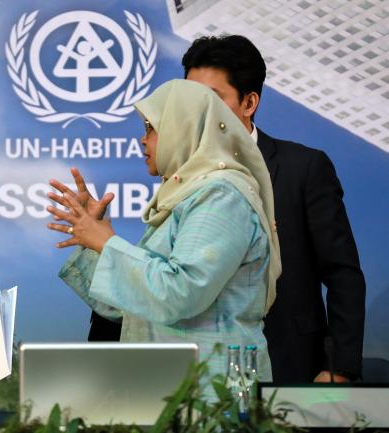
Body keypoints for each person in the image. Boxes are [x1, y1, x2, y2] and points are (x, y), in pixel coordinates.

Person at [47, 79, 281, 383]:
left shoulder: (221, 196)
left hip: (214, 397)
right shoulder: (186, 197)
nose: (142, 141)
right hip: (171, 388)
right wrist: (94, 243)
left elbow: (181, 292)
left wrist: (107, 242)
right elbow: (136, 306)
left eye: (150, 128)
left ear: (183, 128)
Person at [182, 35, 366, 383]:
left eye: (210, 99)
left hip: (288, 361)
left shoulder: (304, 168)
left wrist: (339, 367)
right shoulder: (180, 174)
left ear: (249, 102)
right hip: (202, 370)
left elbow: (343, 273)